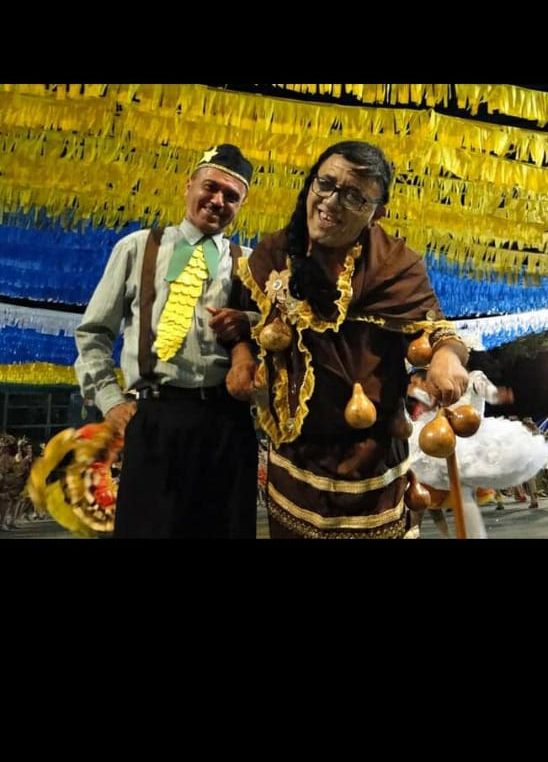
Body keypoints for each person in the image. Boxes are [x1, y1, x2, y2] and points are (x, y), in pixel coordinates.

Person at [227, 141, 470, 539]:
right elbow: (241, 317)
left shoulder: (396, 264)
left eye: (354, 196)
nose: (331, 202)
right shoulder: (273, 253)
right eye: (325, 184)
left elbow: (438, 330)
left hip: (372, 465)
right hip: (294, 459)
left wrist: (447, 358)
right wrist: (241, 356)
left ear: (377, 213)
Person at [75, 144, 259, 539]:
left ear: (241, 205)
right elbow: (93, 333)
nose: (218, 201)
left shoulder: (250, 263)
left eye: (231, 196)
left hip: (228, 423)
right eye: (210, 187)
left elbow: (281, 334)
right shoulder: (138, 247)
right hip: (156, 417)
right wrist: (110, 400)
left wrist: (248, 322)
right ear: (188, 185)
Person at [406, 371, 548, 538]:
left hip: (471, 442)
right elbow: (429, 400)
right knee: (461, 494)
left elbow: (488, 392)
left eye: (416, 382)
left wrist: (497, 395)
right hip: (450, 442)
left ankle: (471, 535)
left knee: (464, 493)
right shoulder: (442, 385)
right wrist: (414, 390)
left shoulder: (473, 378)